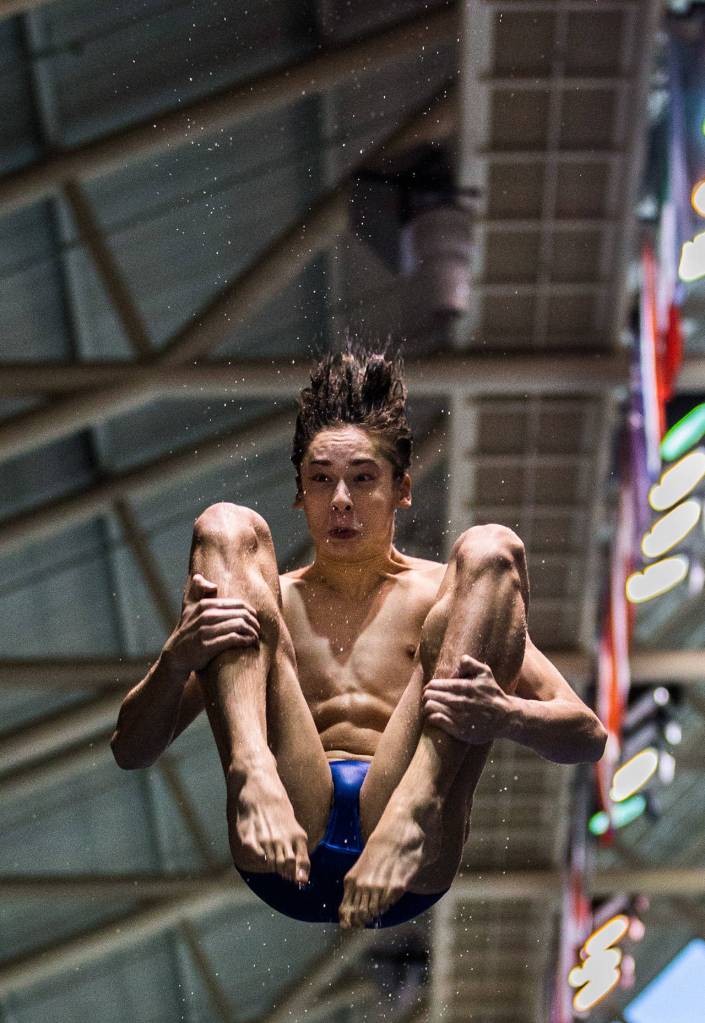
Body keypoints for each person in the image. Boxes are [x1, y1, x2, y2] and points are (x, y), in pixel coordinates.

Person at [111, 344, 607, 930]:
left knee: (492, 549)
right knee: (225, 525)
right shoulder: (262, 601)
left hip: (409, 840)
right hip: (283, 826)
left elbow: (587, 737)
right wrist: (175, 661)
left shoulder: (449, 602)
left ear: (402, 488)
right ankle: (252, 774)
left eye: (362, 478)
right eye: (321, 480)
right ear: (300, 491)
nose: (340, 501)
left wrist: (503, 714)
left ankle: (416, 805)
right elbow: (131, 749)